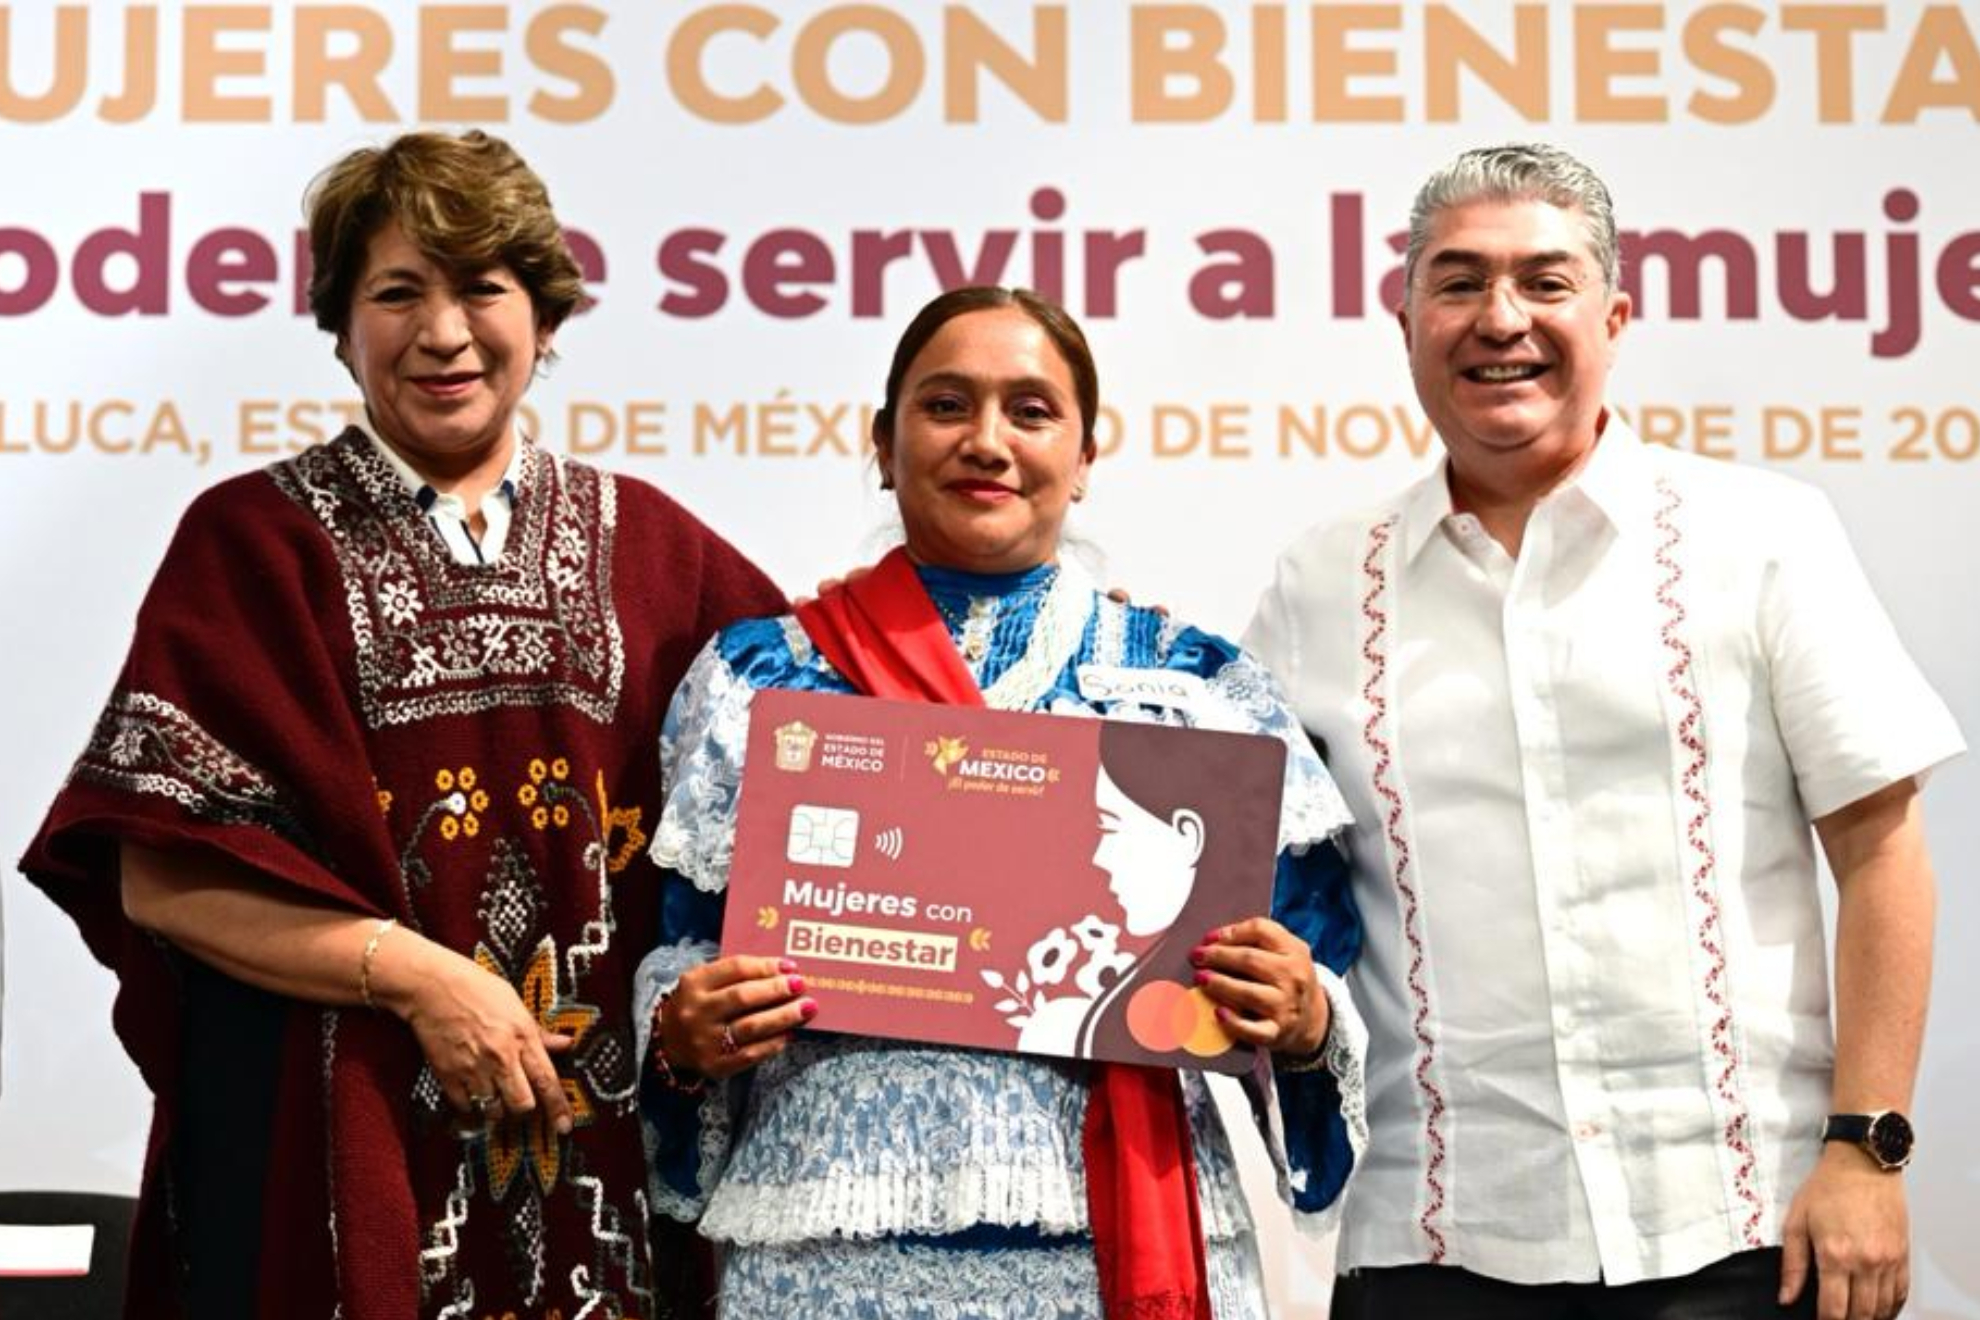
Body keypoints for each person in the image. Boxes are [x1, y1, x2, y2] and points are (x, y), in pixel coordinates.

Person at [17, 129, 785, 1319]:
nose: (443, 333)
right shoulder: (252, 545)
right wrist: (420, 978)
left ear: (543, 314)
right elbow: (159, 877)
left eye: (483, 286)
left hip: (609, 1177)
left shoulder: (663, 555)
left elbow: (819, 790)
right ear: (338, 324)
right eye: (395, 292)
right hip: (337, 1163)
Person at [1245, 143, 1964, 1320]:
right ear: (1408, 317)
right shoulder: (1319, 583)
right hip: (1434, 1240)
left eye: (1545, 280)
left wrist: (1868, 1150)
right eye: (1460, 281)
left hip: (1746, 1228)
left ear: (1616, 316)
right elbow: (1263, 871)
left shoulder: (1760, 535)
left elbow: (1884, 854)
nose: (1501, 318)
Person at [635, 286, 1366, 1319]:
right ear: (883, 444)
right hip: (827, 1252)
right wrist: (684, 1028)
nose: (987, 441)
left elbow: (1314, 956)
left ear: (1085, 456)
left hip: (1116, 1247)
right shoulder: (761, 681)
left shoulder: (1188, 688)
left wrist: (1299, 1015)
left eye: (1030, 410)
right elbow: (682, 946)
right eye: (946, 406)